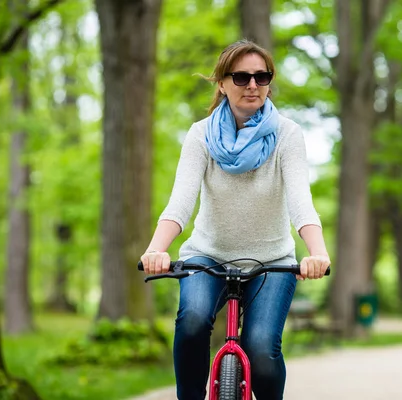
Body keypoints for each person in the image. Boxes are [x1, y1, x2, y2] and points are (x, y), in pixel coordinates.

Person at [140, 39, 330, 400]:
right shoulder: (200, 136)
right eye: (241, 77)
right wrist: (156, 250)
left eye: (262, 76)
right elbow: (180, 203)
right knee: (193, 321)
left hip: (272, 261)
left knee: (261, 347)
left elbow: (301, 203)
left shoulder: (287, 135)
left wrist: (317, 252)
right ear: (222, 83)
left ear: (270, 81)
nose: (253, 85)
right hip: (207, 255)